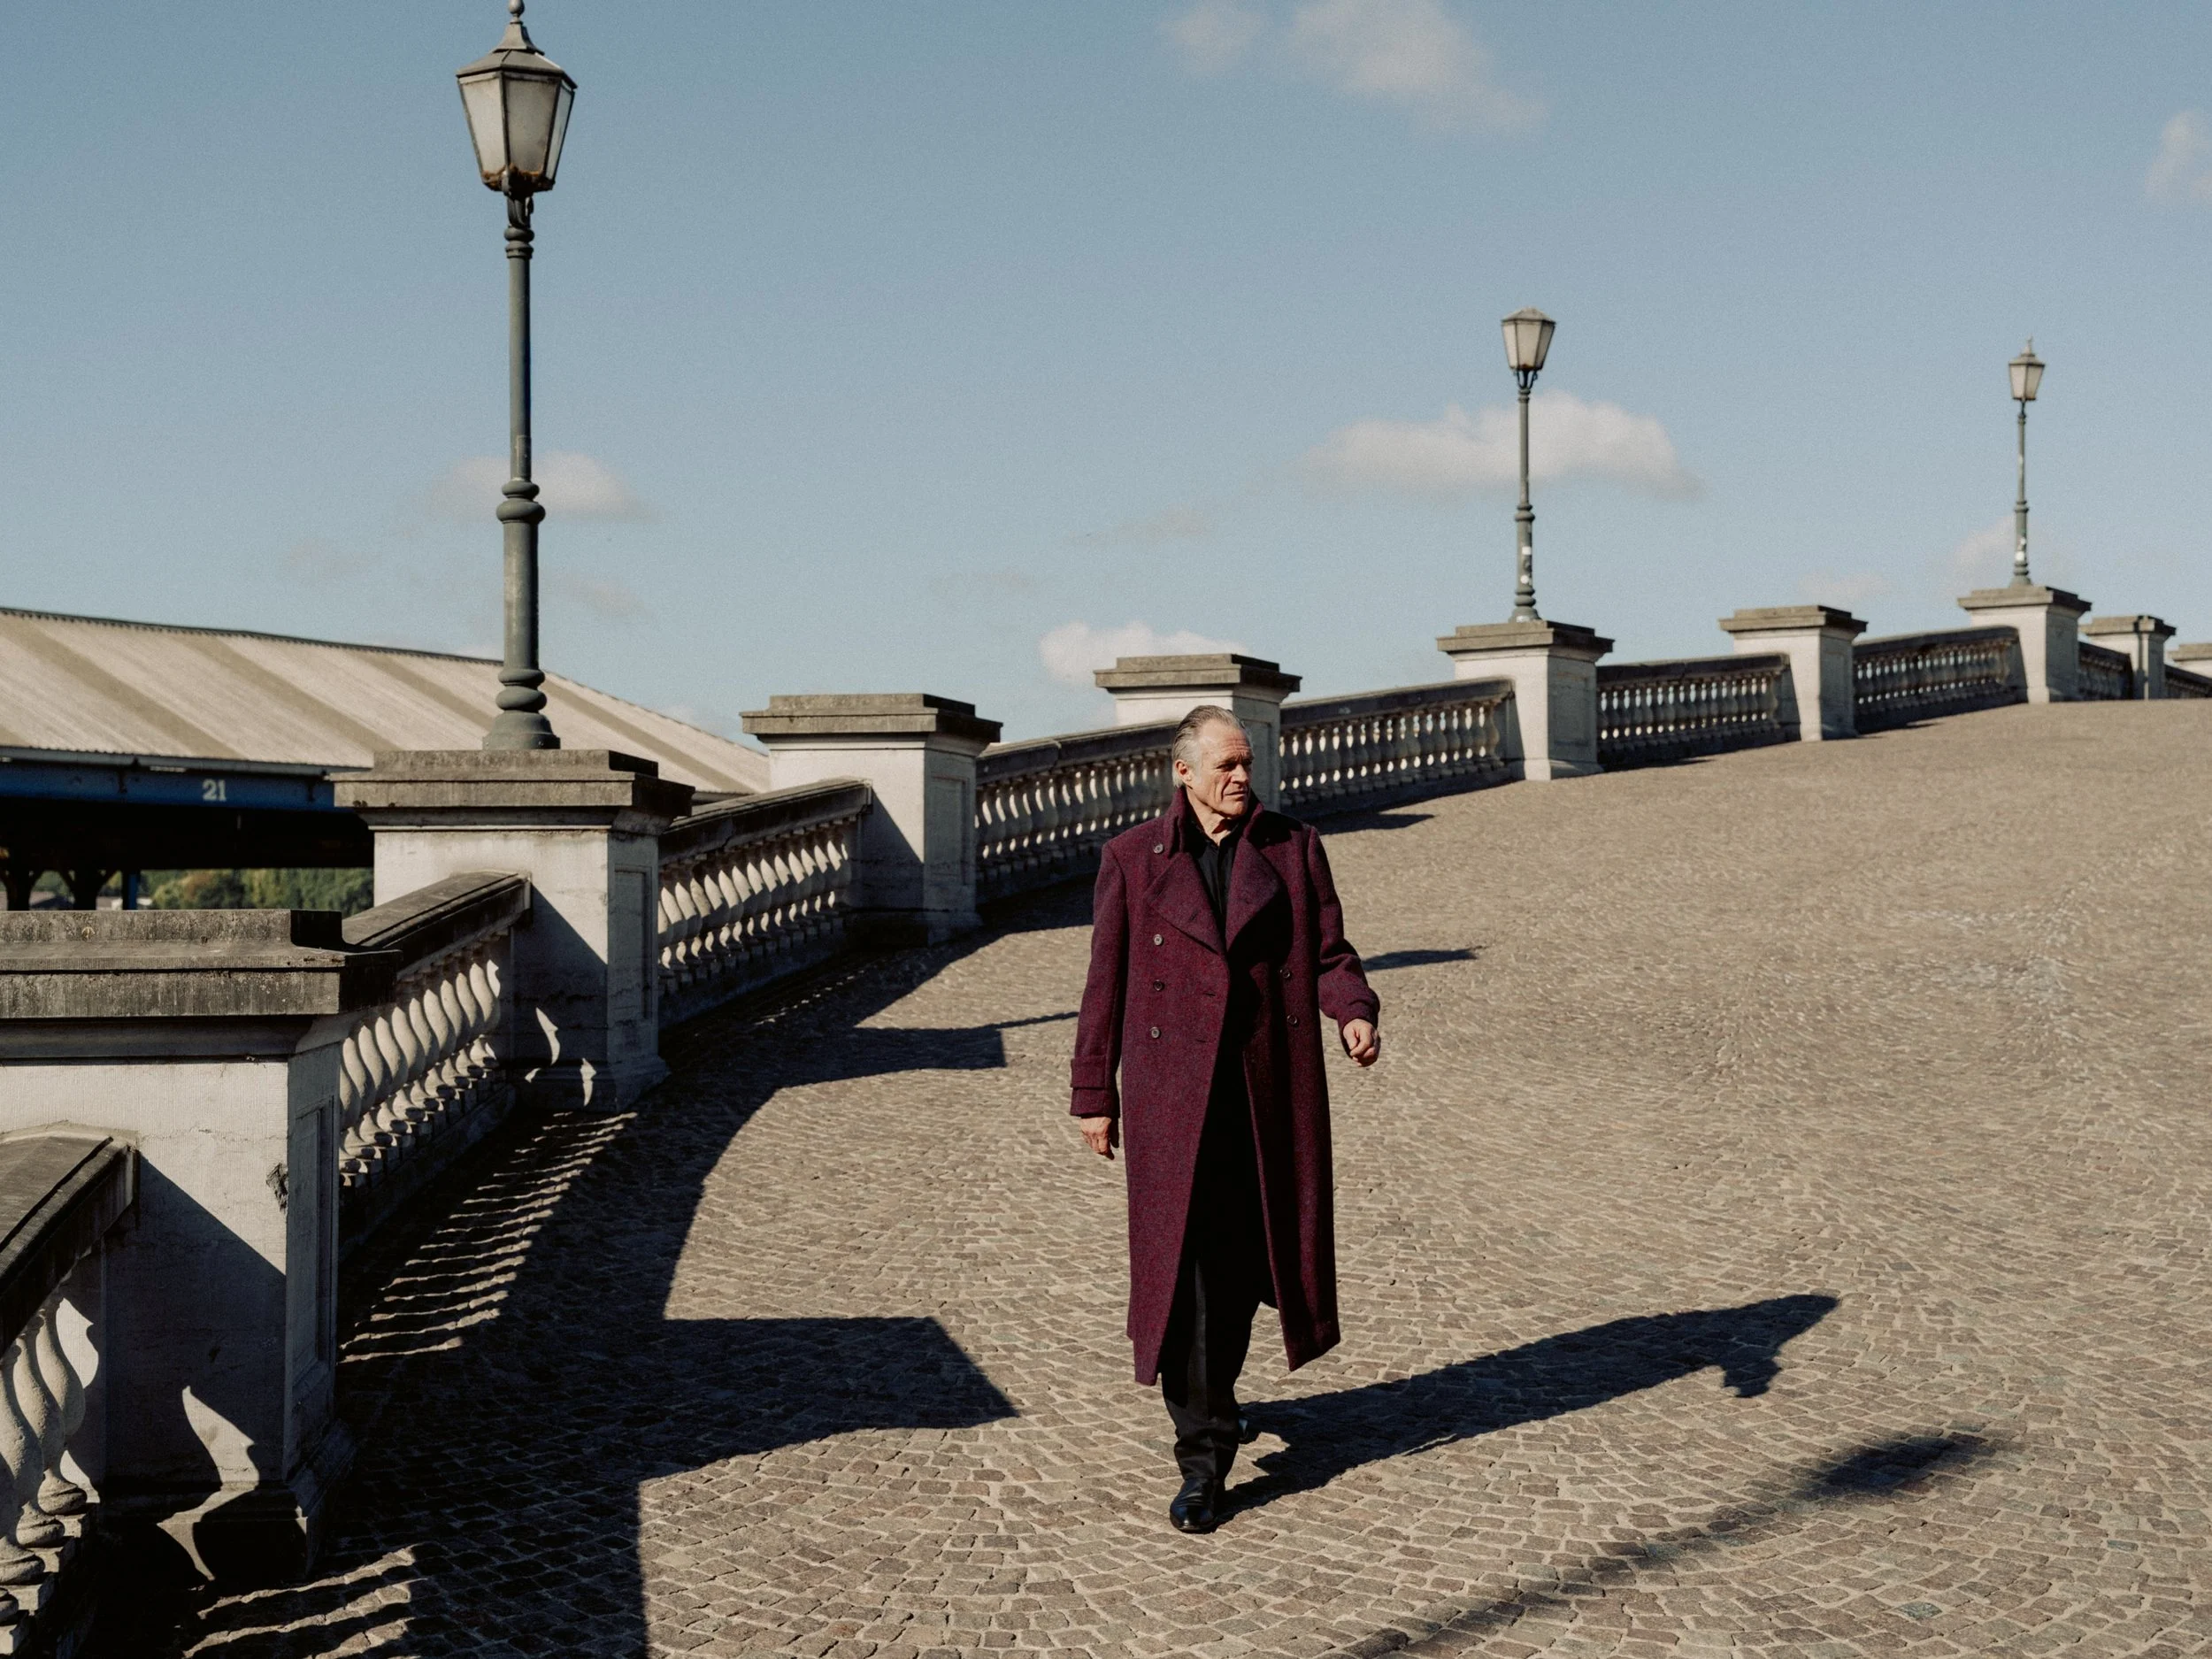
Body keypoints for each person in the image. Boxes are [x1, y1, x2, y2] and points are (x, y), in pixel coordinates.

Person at [1071, 704, 1379, 1533]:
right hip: (1176, 1104)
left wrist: (1350, 1008)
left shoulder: (1292, 846)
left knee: (1244, 1273)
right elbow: (1105, 985)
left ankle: (1216, 1399)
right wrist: (1095, 1091)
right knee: (1192, 1280)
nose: (1243, 778)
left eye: (1248, 764)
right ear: (1183, 772)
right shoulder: (1133, 861)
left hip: (1263, 1093)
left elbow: (1330, 953)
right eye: (1227, 767)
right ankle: (1203, 1459)